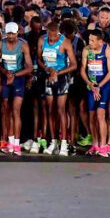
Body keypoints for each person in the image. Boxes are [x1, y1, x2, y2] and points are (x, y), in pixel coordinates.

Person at [38, 20, 77, 156]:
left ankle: (64, 143)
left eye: (55, 36)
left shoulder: (65, 42)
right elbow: (39, 59)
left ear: (58, 33)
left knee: (61, 109)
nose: (52, 39)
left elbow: (74, 65)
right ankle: (53, 141)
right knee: (50, 110)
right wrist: (48, 69)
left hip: (61, 77)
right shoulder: (42, 40)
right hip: (49, 76)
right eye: (50, 36)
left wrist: (57, 73)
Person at [0, 22, 33, 156]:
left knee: (16, 110)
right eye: (8, 33)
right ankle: (10, 141)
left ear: (17, 33)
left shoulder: (23, 45)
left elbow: (29, 67)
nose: (11, 36)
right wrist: (5, 72)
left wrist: (15, 75)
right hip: (6, 78)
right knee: (5, 108)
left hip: (18, 78)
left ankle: (17, 144)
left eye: (13, 33)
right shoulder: (1, 44)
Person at [80, 29, 110, 157]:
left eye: (92, 41)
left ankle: (104, 145)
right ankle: (95, 144)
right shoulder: (86, 50)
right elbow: (82, 70)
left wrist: (99, 86)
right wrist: (90, 84)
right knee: (92, 116)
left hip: (104, 86)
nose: (90, 42)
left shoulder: (107, 50)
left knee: (101, 114)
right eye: (89, 39)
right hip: (91, 85)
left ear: (100, 42)